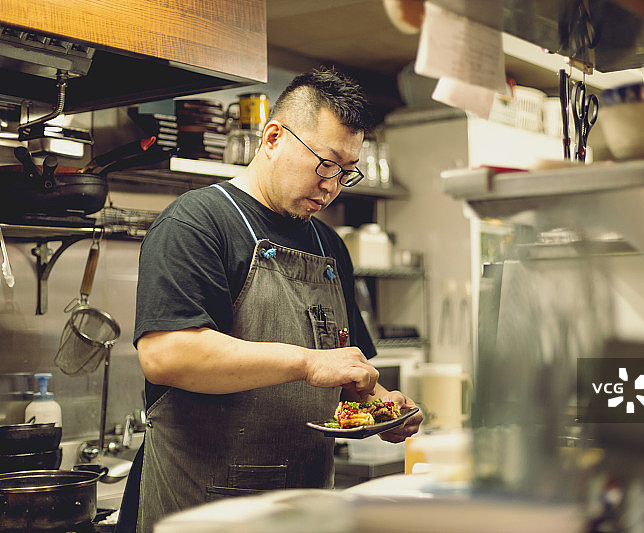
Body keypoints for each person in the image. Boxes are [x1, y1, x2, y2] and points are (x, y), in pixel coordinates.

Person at [115, 66, 423, 533]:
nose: (333, 185)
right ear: (274, 137)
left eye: (346, 172)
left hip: (303, 508)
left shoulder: (329, 245)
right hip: (202, 511)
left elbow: (345, 374)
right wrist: (305, 362)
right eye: (325, 164)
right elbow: (167, 355)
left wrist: (383, 407)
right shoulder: (198, 223)